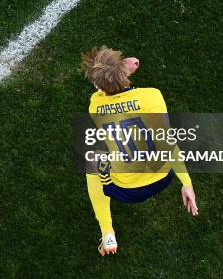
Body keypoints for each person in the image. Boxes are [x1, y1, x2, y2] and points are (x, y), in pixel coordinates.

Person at [81, 46, 198, 255]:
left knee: (93, 157)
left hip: (126, 191)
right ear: (122, 73)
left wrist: (118, 71)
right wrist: (187, 183)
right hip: (163, 177)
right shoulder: (153, 96)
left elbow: (103, 88)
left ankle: (107, 230)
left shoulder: (95, 106)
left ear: (98, 84)